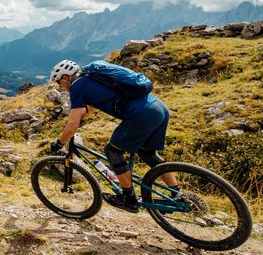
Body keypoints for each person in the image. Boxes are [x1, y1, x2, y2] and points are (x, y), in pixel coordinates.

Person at [49, 60, 179, 213]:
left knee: (113, 151)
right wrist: (80, 118)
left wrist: (59, 143)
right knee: (147, 154)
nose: (60, 86)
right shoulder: (92, 77)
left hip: (142, 114)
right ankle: (177, 195)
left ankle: (128, 199)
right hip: (158, 107)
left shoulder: (77, 85)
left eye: (59, 82)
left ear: (66, 77)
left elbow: (72, 125)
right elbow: (92, 106)